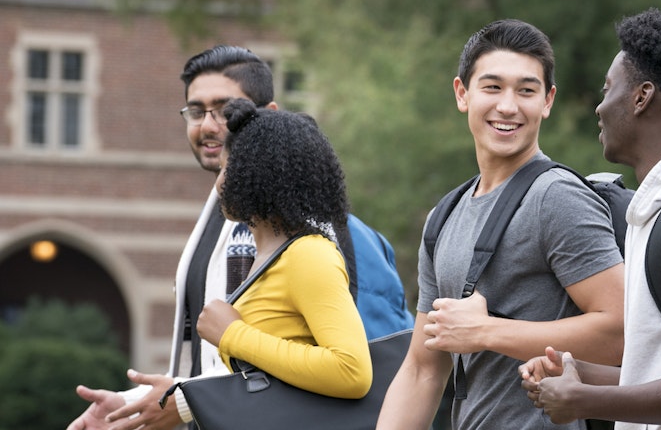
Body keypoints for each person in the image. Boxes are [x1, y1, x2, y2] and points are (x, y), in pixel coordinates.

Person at [67, 45, 411, 430]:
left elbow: (380, 373)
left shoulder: (328, 237)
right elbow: (218, 368)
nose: (209, 125)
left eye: (226, 109)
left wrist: (189, 397)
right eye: (196, 111)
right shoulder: (213, 227)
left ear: (270, 119)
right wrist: (135, 405)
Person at [377, 19, 625, 430]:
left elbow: (620, 330)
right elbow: (423, 370)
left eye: (526, 91)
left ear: (547, 101)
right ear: (463, 94)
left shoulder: (557, 198)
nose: (508, 106)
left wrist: (487, 331)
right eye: (492, 87)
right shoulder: (445, 214)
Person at [518, 8, 661, 429]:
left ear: (642, 97)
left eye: (608, 89)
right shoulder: (652, 212)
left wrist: (583, 400)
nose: (600, 107)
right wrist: (583, 375)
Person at [194, 97, 371, 401]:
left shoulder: (308, 255)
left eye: (227, 169)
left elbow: (352, 371)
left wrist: (233, 335)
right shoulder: (271, 258)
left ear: (261, 175)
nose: (219, 183)